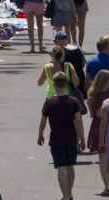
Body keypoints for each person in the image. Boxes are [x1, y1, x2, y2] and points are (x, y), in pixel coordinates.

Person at [38, 72, 86, 200]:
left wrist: (40, 134)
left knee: (61, 167)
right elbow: (78, 121)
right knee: (70, 166)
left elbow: (43, 120)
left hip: (56, 138)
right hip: (71, 138)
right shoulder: (74, 101)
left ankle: (65, 196)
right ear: (66, 84)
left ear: (54, 84)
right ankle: (69, 194)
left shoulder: (49, 102)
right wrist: (82, 138)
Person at [87, 70, 109, 193]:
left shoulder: (92, 95)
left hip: (97, 126)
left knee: (102, 159)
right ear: (105, 81)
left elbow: (93, 114)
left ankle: (106, 186)